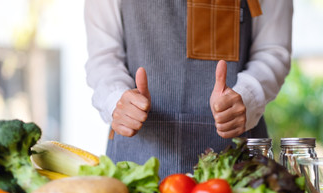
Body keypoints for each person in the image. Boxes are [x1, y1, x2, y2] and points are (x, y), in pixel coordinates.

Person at [84, 0, 293, 179]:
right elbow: (103, 56)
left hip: (234, 166)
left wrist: (247, 97)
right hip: (135, 161)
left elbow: (272, 52)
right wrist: (115, 100)